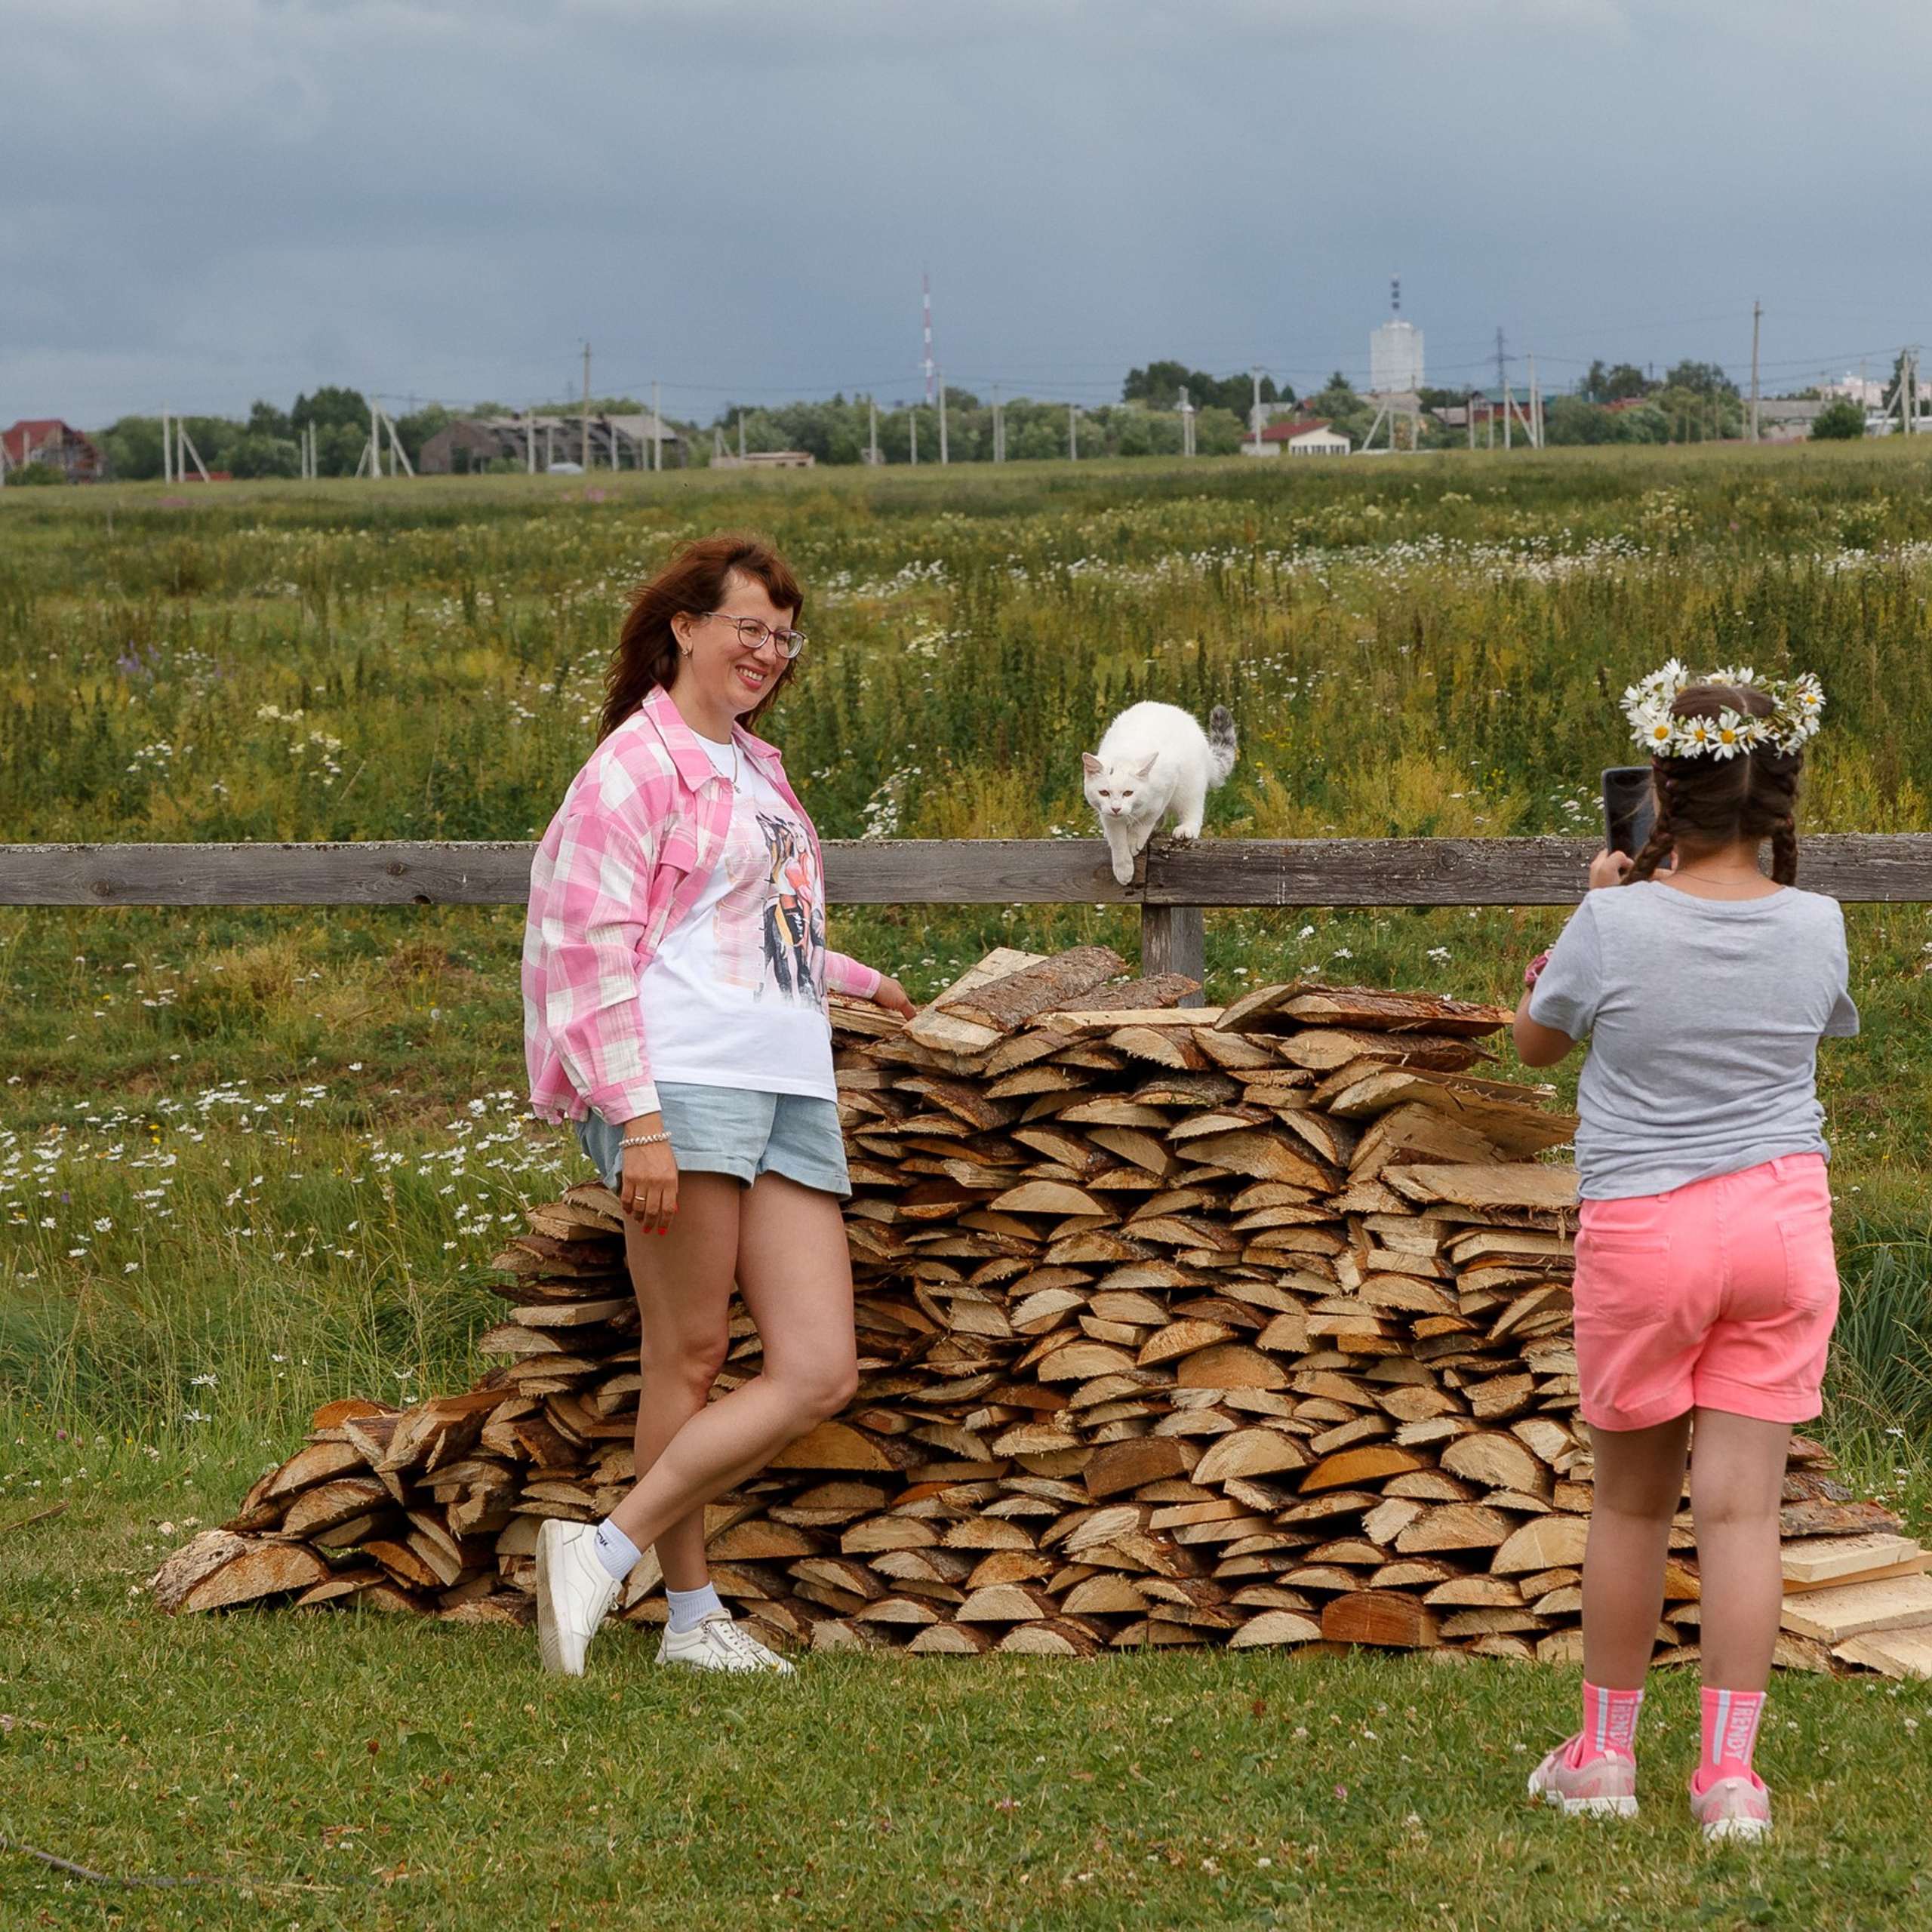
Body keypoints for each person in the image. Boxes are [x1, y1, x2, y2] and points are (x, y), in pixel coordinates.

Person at [521, 533, 914, 1678]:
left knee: (816, 1365)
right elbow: (589, 951)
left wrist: (857, 979)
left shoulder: (754, 766)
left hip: (787, 1082)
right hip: (681, 1082)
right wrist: (636, 1118)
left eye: (784, 636)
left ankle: (602, 1549)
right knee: (687, 1356)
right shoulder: (632, 769)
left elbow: (749, 929)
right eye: (748, 626)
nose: (768, 652)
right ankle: (690, 1618)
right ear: (684, 626)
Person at [1514, 661, 1847, 1843]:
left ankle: (1604, 1756)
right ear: (1779, 795)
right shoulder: (1820, 922)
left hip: (1647, 1233)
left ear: (1658, 787)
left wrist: (1592, 906)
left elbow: (1537, 1046)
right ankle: (1730, 1782)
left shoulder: (1612, 917)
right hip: (1779, 1224)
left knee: (1633, 1511)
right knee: (1744, 1519)